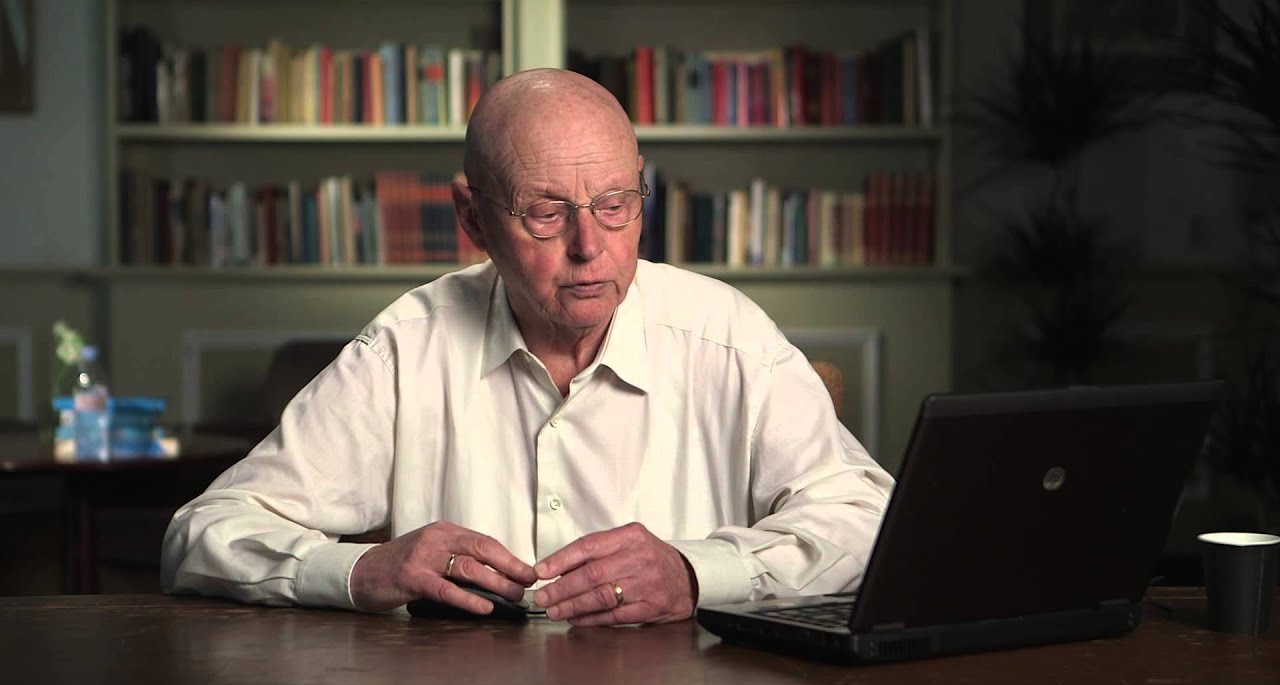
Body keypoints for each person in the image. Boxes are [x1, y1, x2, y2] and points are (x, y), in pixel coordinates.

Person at [161, 68, 894, 626]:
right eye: (546, 213)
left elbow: (871, 521)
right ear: (473, 219)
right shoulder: (404, 349)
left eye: (616, 205)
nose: (590, 247)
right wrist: (362, 570)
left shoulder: (727, 336)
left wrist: (697, 572)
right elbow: (204, 534)